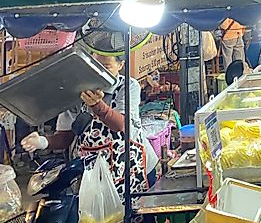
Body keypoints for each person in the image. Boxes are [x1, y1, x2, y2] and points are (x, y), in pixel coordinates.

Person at [22, 52, 159, 203]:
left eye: (106, 67)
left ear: (121, 65)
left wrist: (97, 106)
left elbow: (120, 124)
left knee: (138, 217)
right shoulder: (77, 92)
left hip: (132, 168)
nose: (100, 72)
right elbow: (66, 136)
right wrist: (42, 142)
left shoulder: (128, 86)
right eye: (95, 66)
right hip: (93, 173)